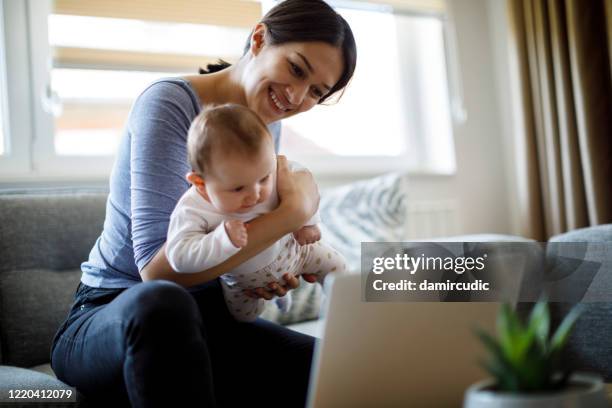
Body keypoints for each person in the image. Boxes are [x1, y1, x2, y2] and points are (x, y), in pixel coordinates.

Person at [50, 0, 356, 406]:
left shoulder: (268, 125)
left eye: (316, 92)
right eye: (296, 69)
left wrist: (261, 270)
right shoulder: (170, 104)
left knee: (334, 374)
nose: (297, 95)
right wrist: (292, 215)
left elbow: (240, 241)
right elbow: (158, 274)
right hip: (115, 314)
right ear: (260, 38)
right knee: (164, 306)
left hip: (207, 318)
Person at [166, 104, 346, 322]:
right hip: (242, 283)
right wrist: (223, 239)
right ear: (201, 183)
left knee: (339, 269)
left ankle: (342, 320)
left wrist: (308, 221)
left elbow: (302, 177)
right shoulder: (191, 209)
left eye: (264, 179)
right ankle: (277, 302)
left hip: (297, 253)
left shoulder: (270, 168)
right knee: (244, 317)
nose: (256, 195)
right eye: (238, 188)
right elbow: (179, 257)